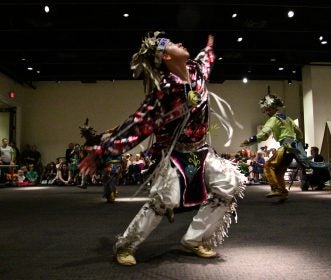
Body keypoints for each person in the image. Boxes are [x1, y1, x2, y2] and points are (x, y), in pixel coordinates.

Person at [79, 31, 245, 266]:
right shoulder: (165, 91)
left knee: (229, 184)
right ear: (165, 56)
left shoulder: (196, 70)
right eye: (170, 43)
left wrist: (209, 48)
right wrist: (102, 151)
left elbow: (205, 59)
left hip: (201, 150)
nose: (178, 42)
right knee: (164, 199)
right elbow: (138, 124)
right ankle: (125, 245)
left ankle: (194, 239)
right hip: (174, 154)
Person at [240, 92, 304, 201]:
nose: (267, 113)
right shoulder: (287, 118)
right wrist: (298, 142)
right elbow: (299, 133)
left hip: (285, 146)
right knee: (279, 171)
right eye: (266, 110)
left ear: (274, 108)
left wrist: (249, 141)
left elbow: (264, 134)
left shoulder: (273, 119)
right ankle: (283, 193)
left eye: (268, 110)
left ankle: (275, 189)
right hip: (293, 149)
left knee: (268, 166)